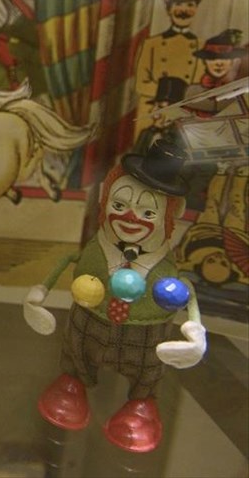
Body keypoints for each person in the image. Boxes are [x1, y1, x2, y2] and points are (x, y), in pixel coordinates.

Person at [24, 140, 208, 453]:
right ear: (105, 200)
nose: (131, 218)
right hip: (88, 326)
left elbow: (187, 295)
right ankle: (72, 383)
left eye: (148, 211)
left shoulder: (165, 270)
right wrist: (36, 298)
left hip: (145, 339)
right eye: (120, 205)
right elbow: (66, 263)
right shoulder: (96, 250)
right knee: (76, 353)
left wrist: (196, 335)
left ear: (171, 214)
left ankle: (140, 406)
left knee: (147, 371)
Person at [132, 0, 204, 141]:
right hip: (153, 110)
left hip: (184, 111)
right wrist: (166, 100)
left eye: (190, 5)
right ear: (169, 8)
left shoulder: (202, 46)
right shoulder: (151, 44)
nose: (184, 10)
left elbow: (200, 84)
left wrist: (179, 103)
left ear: (196, 8)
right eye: (178, 4)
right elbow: (141, 83)